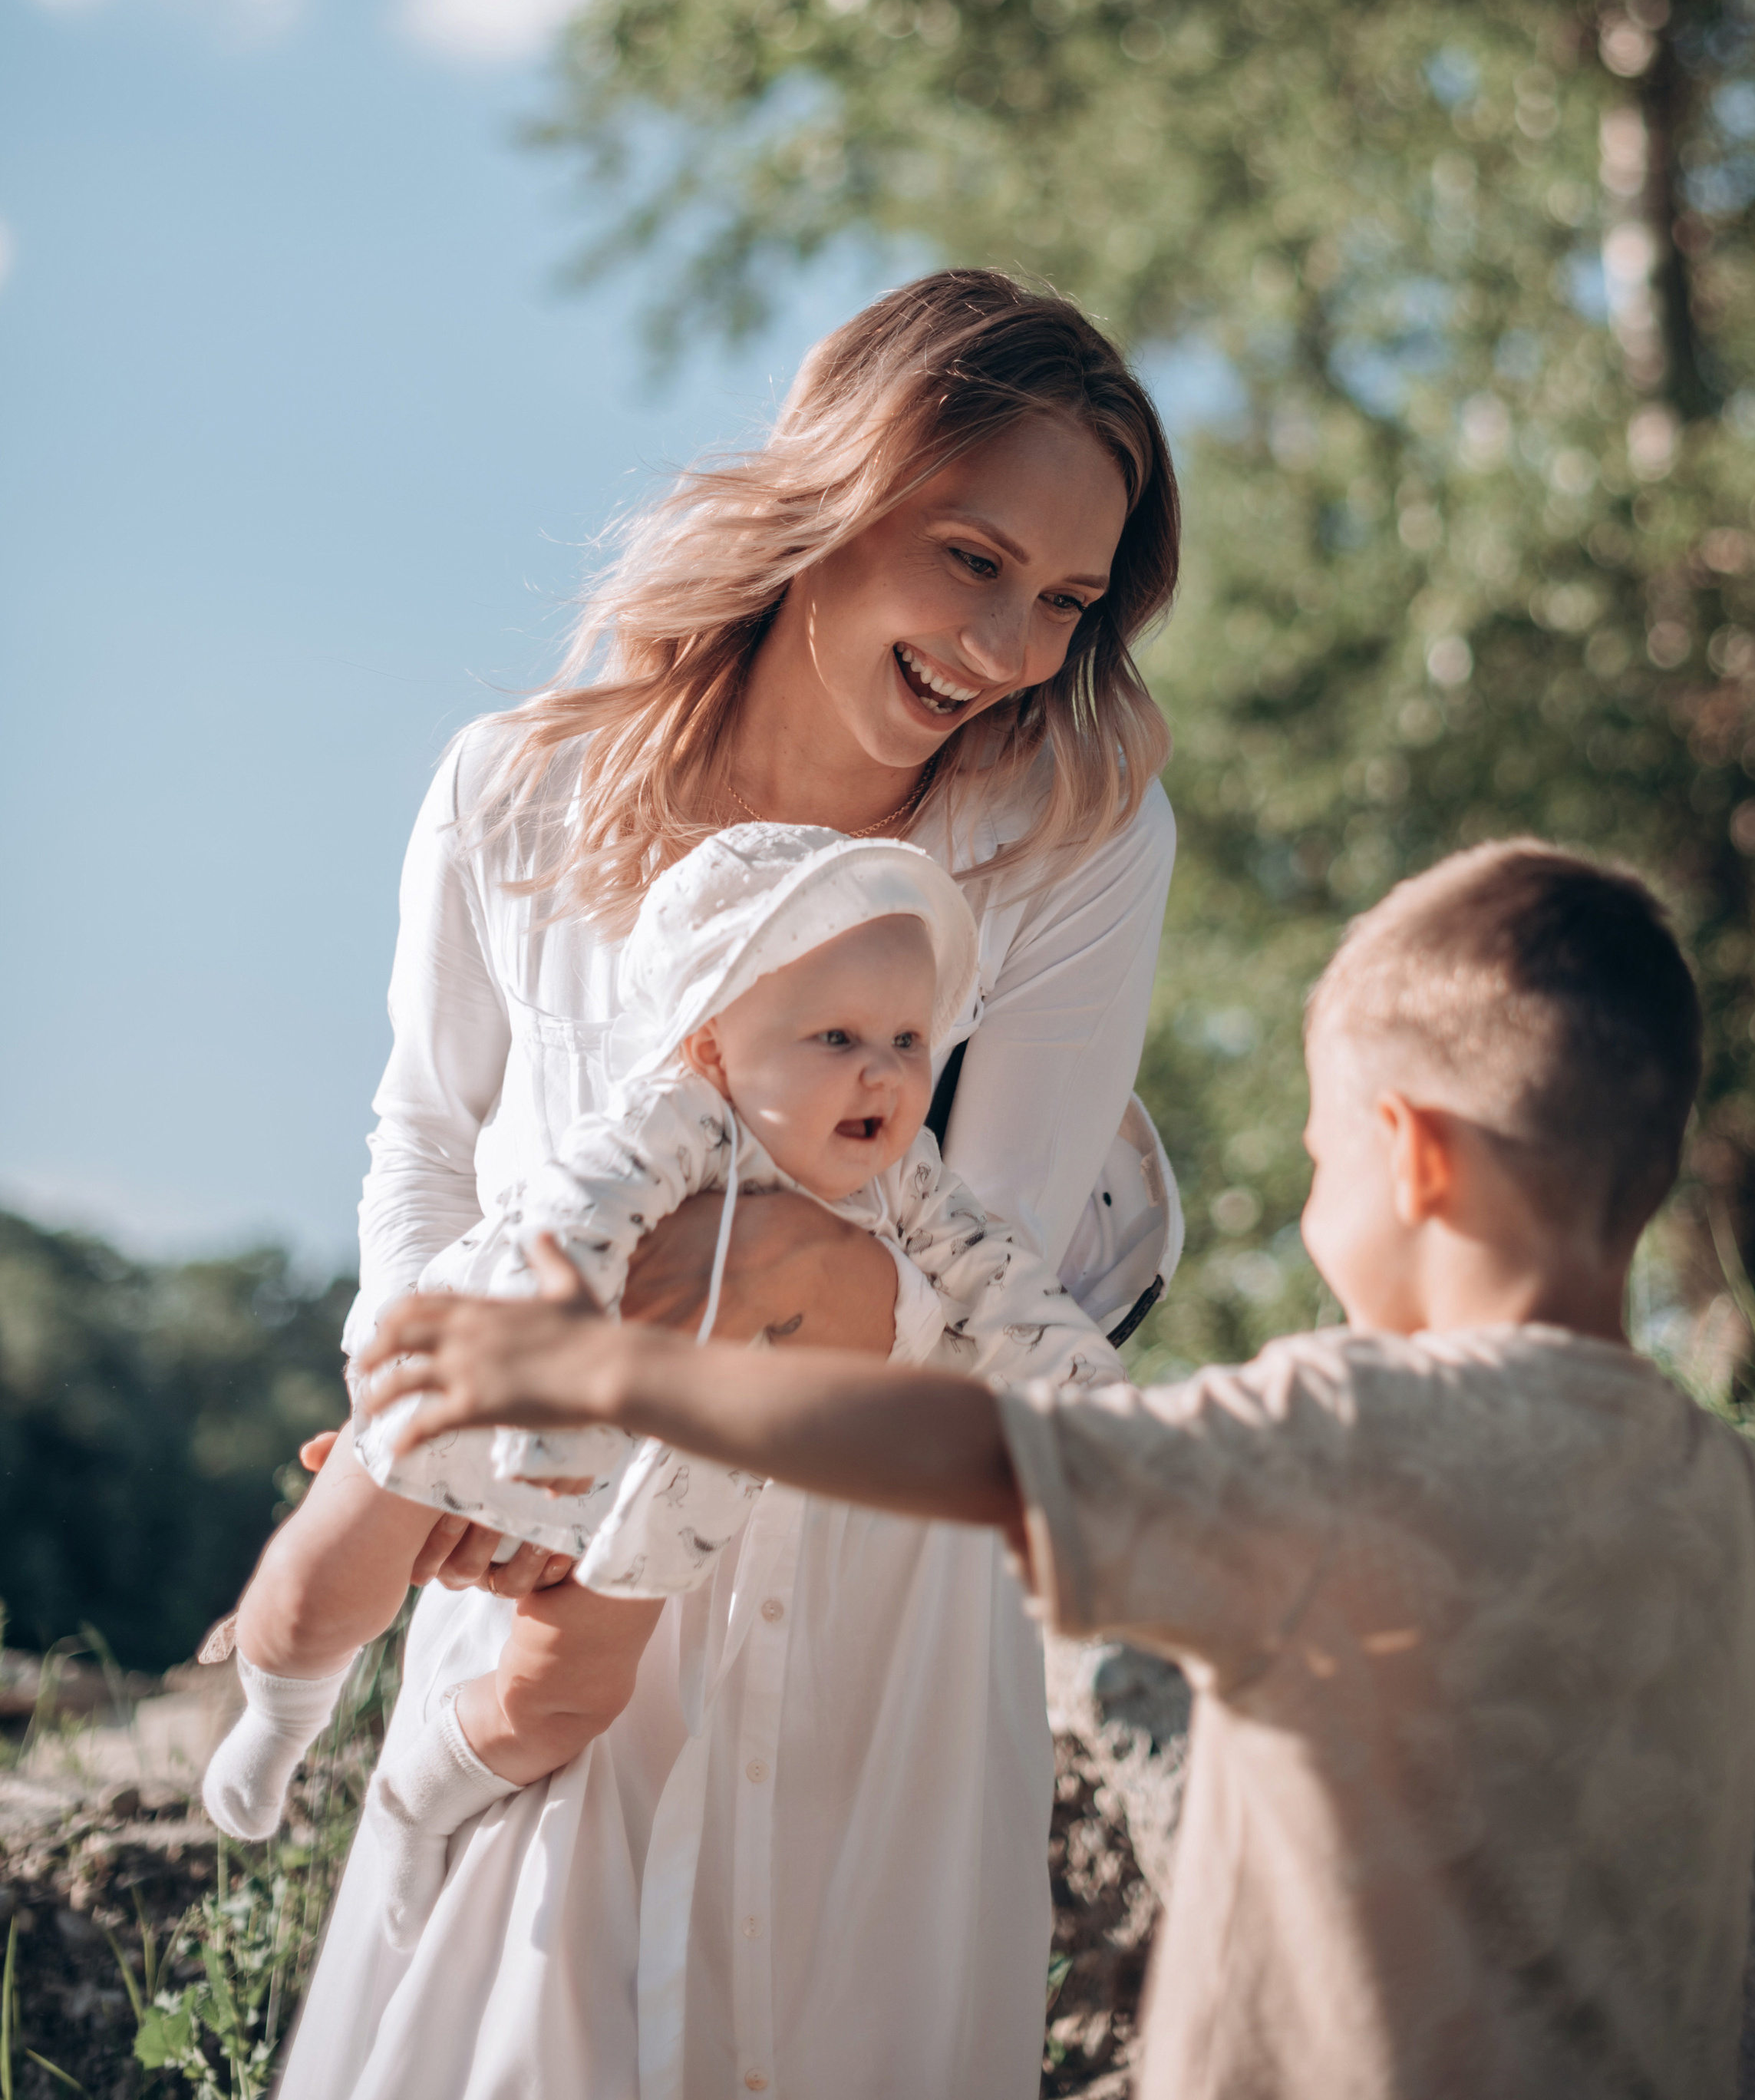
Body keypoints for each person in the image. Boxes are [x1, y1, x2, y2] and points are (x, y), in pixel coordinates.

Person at [365, 839, 1755, 2100]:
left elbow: (993, 1452)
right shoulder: (1723, 1499)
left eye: (1317, 1147)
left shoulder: (1332, 1437)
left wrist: (626, 1373)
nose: (1307, 1170)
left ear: (1411, 1160)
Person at [278, 269, 1183, 2100]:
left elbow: (966, 1276)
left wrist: (610, 1342)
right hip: (522, 1538)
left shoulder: (1065, 836)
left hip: (869, 1586)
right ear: (835, 501)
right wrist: (421, 1395)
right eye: (972, 559)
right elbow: (427, 1138)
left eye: (1067, 600)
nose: (1013, 646)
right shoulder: (513, 795)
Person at [203, 827, 1119, 1943]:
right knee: (317, 1588)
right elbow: (573, 1241)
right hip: (494, 1387)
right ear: (715, 1043)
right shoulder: (667, 1124)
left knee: (569, 1695)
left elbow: (997, 1284)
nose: (881, 1070)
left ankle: (416, 1795)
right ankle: (277, 1711)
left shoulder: (909, 1176)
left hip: (673, 1478)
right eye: (834, 1035)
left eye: (907, 1037)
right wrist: (549, 1418)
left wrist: (1087, 1396)